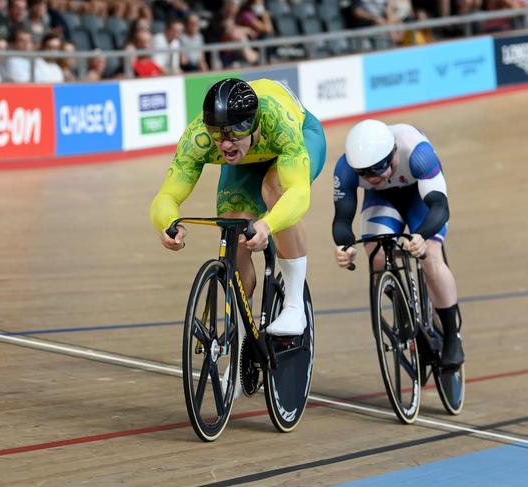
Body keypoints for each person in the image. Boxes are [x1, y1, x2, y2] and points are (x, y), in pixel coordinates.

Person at [150, 78, 326, 344]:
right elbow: (167, 195)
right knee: (233, 226)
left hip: (301, 135)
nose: (225, 144)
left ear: (253, 126)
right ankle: (244, 338)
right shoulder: (198, 137)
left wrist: (267, 225)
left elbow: (299, 194)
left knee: (274, 188)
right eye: (218, 135)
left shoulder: (277, 122)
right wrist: (167, 222)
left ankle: (294, 306)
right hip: (250, 156)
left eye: (233, 134)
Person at [332, 119, 464, 368]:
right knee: (377, 256)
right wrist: (344, 246)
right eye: (365, 173)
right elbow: (342, 218)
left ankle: (451, 337)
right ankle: (403, 307)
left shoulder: (417, 153)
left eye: (378, 169)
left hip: (419, 195)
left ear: (393, 153)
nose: (372, 178)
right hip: (383, 200)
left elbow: (439, 206)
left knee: (430, 258)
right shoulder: (346, 168)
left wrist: (422, 236)